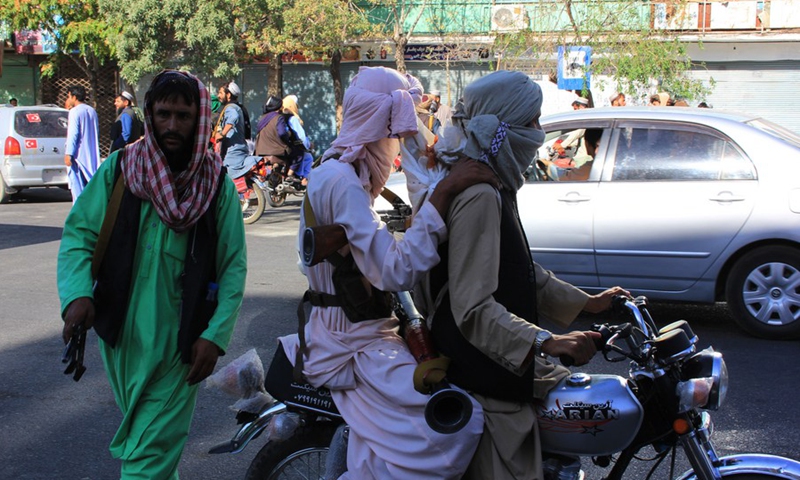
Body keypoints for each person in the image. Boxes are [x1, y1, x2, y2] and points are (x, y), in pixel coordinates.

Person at [279, 66, 496, 479]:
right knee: (457, 425)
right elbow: (394, 272)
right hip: (352, 344)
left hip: (359, 332)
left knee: (382, 449)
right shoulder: (341, 179)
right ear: (382, 125)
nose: (399, 144)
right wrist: (445, 195)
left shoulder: (339, 169)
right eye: (397, 132)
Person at [409, 70, 628, 480]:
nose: (539, 133)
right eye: (531, 123)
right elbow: (472, 307)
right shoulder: (479, 194)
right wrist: (548, 341)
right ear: (500, 129)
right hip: (486, 377)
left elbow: (517, 270)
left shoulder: (492, 183)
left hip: (499, 365)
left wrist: (588, 303)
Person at [57, 70, 247, 479]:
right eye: (164, 115)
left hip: (182, 345)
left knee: (146, 457)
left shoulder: (215, 185)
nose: (173, 126)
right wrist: (77, 295)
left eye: (183, 116)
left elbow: (233, 267)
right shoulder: (120, 170)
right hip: (121, 339)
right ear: (149, 115)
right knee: (155, 450)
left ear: (198, 120)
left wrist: (215, 336)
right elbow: (79, 235)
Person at [214, 82, 260, 179]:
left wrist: (222, 134)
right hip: (240, 148)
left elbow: (233, 117)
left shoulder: (230, 108)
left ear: (228, 95)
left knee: (228, 179)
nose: (218, 96)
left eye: (221, 93)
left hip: (232, 152)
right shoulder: (239, 107)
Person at [63, 85, 100, 202]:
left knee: (78, 191)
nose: (68, 100)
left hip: (78, 157)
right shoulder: (92, 111)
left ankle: (79, 217)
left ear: (74, 97)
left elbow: (73, 134)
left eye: (68, 96)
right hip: (91, 156)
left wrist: (69, 153)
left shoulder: (74, 112)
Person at [282, 94, 313, 186]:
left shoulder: (279, 117)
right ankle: (304, 179)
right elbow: (301, 136)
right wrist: (308, 145)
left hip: (281, 146)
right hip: (293, 147)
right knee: (308, 157)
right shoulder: (293, 118)